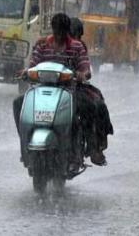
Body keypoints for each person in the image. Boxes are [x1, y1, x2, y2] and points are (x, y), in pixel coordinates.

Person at [13, 13, 106, 169]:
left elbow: (85, 69)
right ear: (53, 29)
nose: (59, 36)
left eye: (62, 32)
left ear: (66, 31)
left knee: (85, 110)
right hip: (41, 90)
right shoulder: (42, 44)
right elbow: (33, 64)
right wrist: (26, 71)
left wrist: (82, 74)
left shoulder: (76, 47)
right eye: (56, 32)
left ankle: (82, 151)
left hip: (68, 91)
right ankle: (25, 144)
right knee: (18, 104)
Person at [69, 17, 113, 160]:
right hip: (53, 87)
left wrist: (82, 75)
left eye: (77, 35)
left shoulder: (80, 46)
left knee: (96, 104)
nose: (76, 38)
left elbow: (85, 69)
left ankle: (95, 146)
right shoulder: (50, 45)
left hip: (74, 87)